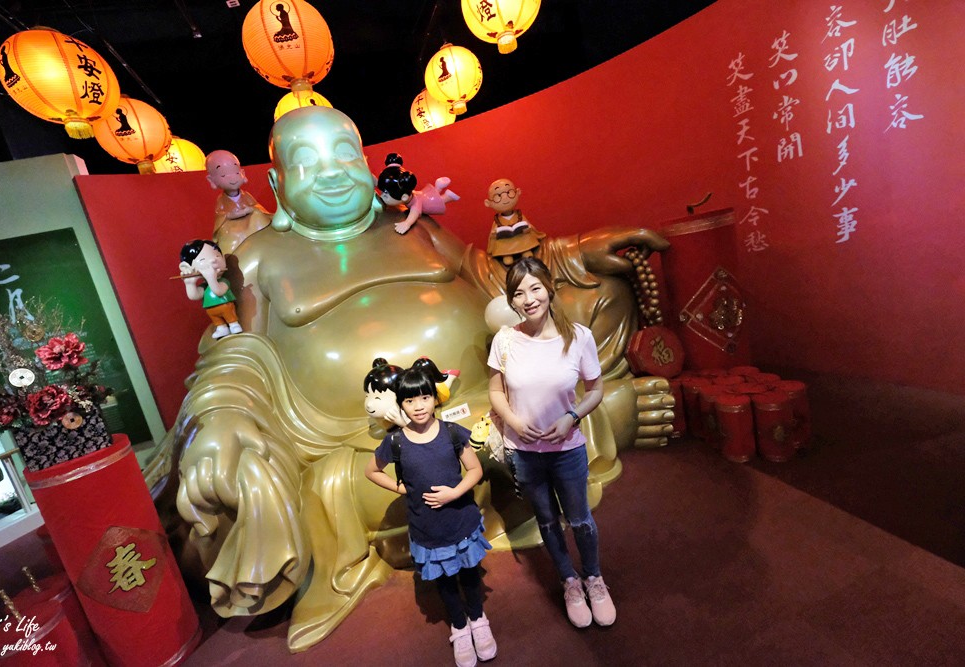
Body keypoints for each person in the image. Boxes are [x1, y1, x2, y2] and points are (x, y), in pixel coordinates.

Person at [158, 106, 672, 651]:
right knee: (317, 493)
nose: (332, 173)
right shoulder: (257, 257)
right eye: (307, 162)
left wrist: (568, 258)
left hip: (487, 392)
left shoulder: (413, 223)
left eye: (345, 154)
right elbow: (236, 351)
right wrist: (217, 418)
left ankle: (583, 442)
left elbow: (487, 271)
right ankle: (609, 416)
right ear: (276, 182)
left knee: (602, 294)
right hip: (359, 436)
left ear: (366, 160)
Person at [487, 256, 616, 628]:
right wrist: (512, 420)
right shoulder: (505, 339)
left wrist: (571, 417)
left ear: (549, 289)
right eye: (518, 293)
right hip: (524, 453)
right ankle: (569, 581)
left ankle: (594, 578)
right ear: (510, 300)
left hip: (567, 449)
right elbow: (495, 389)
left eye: (535, 288)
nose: (528, 299)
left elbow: (595, 389)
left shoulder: (578, 336)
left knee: (581, 520)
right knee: (546, 520)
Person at [365, 366, 495, 667]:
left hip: (461, 519)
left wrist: (453, 492)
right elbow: (371, 471)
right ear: (401, 404)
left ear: (435, 399)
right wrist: (402, 488)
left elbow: (475, 470)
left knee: (470, 573)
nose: (419, 406)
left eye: (425, 397)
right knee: (446, 581)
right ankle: (460, 627)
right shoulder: (395, 442)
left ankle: (478, 618)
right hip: (428, 527)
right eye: (410, 401)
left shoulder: (451, 432)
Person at [377, 153, 459, 235]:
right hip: (422, 194)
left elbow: (414, 212)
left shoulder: (416, 203)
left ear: (404, 197)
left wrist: (407, 223)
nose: (382, 196)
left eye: (386, 195)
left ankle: (448, 196)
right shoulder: (407, 195)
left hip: (427, 201)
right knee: (434, 195)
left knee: (436, 201)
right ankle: (439, 187)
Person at [205, 149, 270, 253]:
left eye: (236, 172)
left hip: (251, 224)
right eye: (223, 175)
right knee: (229, 233)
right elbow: (220, 216)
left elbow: (258, 208)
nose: (232, 178)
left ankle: (264, 247)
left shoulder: (246, 195)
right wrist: (230, 215)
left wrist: (251, 209)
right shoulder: (221, 200)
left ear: (242, 173)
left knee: (258, 217)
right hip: (232, 228)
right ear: (211, 180)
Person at [178, 239, 242, 339]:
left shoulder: (224, 281)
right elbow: (194, 296)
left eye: (217, 256)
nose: (213, 260)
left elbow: (219, 291)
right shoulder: (205, 286)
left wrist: (211, 278)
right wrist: (190, 284)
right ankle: (221, 327)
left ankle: (233, 324)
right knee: (216, 319)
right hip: (211, 310)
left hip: (225, 306)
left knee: (230, 315)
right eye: (203, 260)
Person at [483, 178, 544, 265]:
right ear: (488, 203)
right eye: (498, 196)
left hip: (522, 240)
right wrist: (494, 234)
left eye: (509, 193)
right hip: (505, 244)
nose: (505, 198)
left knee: (525, 238)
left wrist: (528, 228)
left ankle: (525, 251)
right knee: (502, 245)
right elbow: (492, 236)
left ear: (518, 192)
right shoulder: (497, 221)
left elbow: (530, 227)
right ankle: (507, 255)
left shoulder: (519, 215)